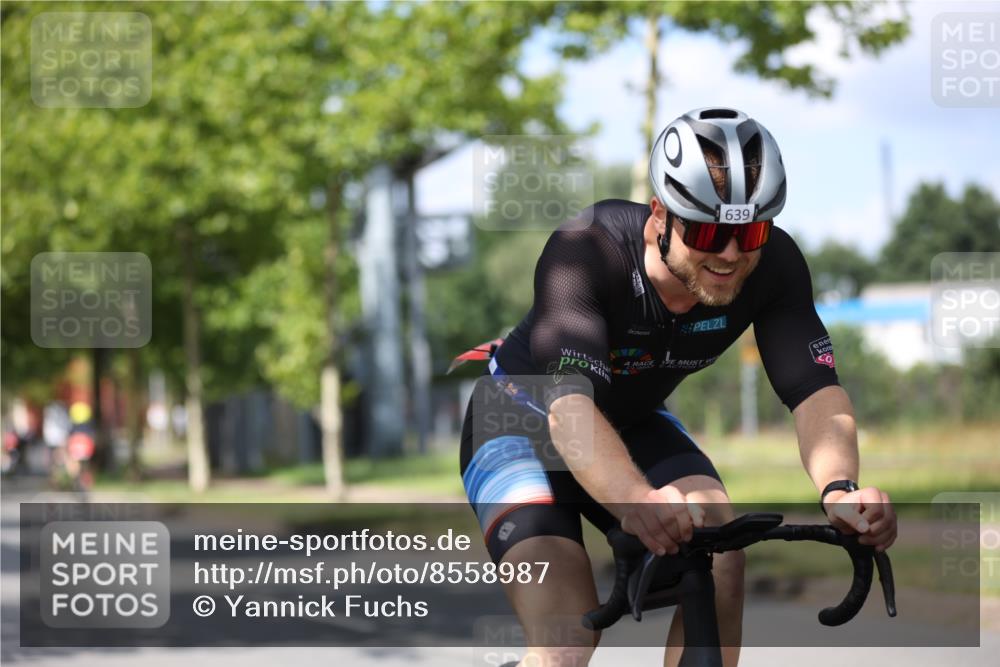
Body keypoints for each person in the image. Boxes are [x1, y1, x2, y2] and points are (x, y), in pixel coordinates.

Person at [458, 107, 898, 667]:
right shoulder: (585, 249)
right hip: (519, 421)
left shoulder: (774, 266)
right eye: (710, 231)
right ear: (659, 216)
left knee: (722, 551)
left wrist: (841, 489)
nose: (731, 254)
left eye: (750, 231)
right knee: (566, 641)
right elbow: (569, 409)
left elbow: (816, 392)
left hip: (631, 419)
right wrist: (637, 501)